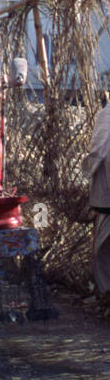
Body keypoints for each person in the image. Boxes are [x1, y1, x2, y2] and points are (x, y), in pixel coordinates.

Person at [83, 101, 110, 292]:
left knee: (103, 249)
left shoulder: (105, 115)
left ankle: (106, 292)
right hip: (105, 199)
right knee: (103, 250)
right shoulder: (106, 116)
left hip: (105, 199)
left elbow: (96, 154)